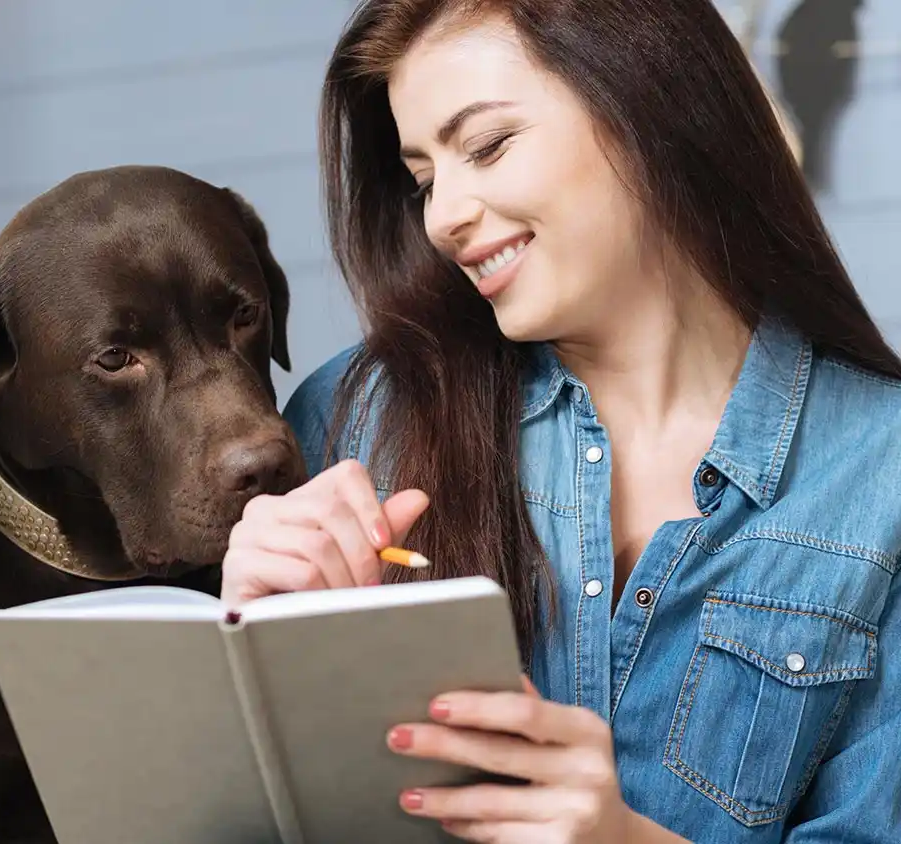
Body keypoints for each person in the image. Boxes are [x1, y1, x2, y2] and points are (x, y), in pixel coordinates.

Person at [220, 0, 901, 841]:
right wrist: (241, 660)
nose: (443, 218)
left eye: (487, 146)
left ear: (650, 104)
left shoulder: (882, 472)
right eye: (426, 180)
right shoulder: (357, 416)